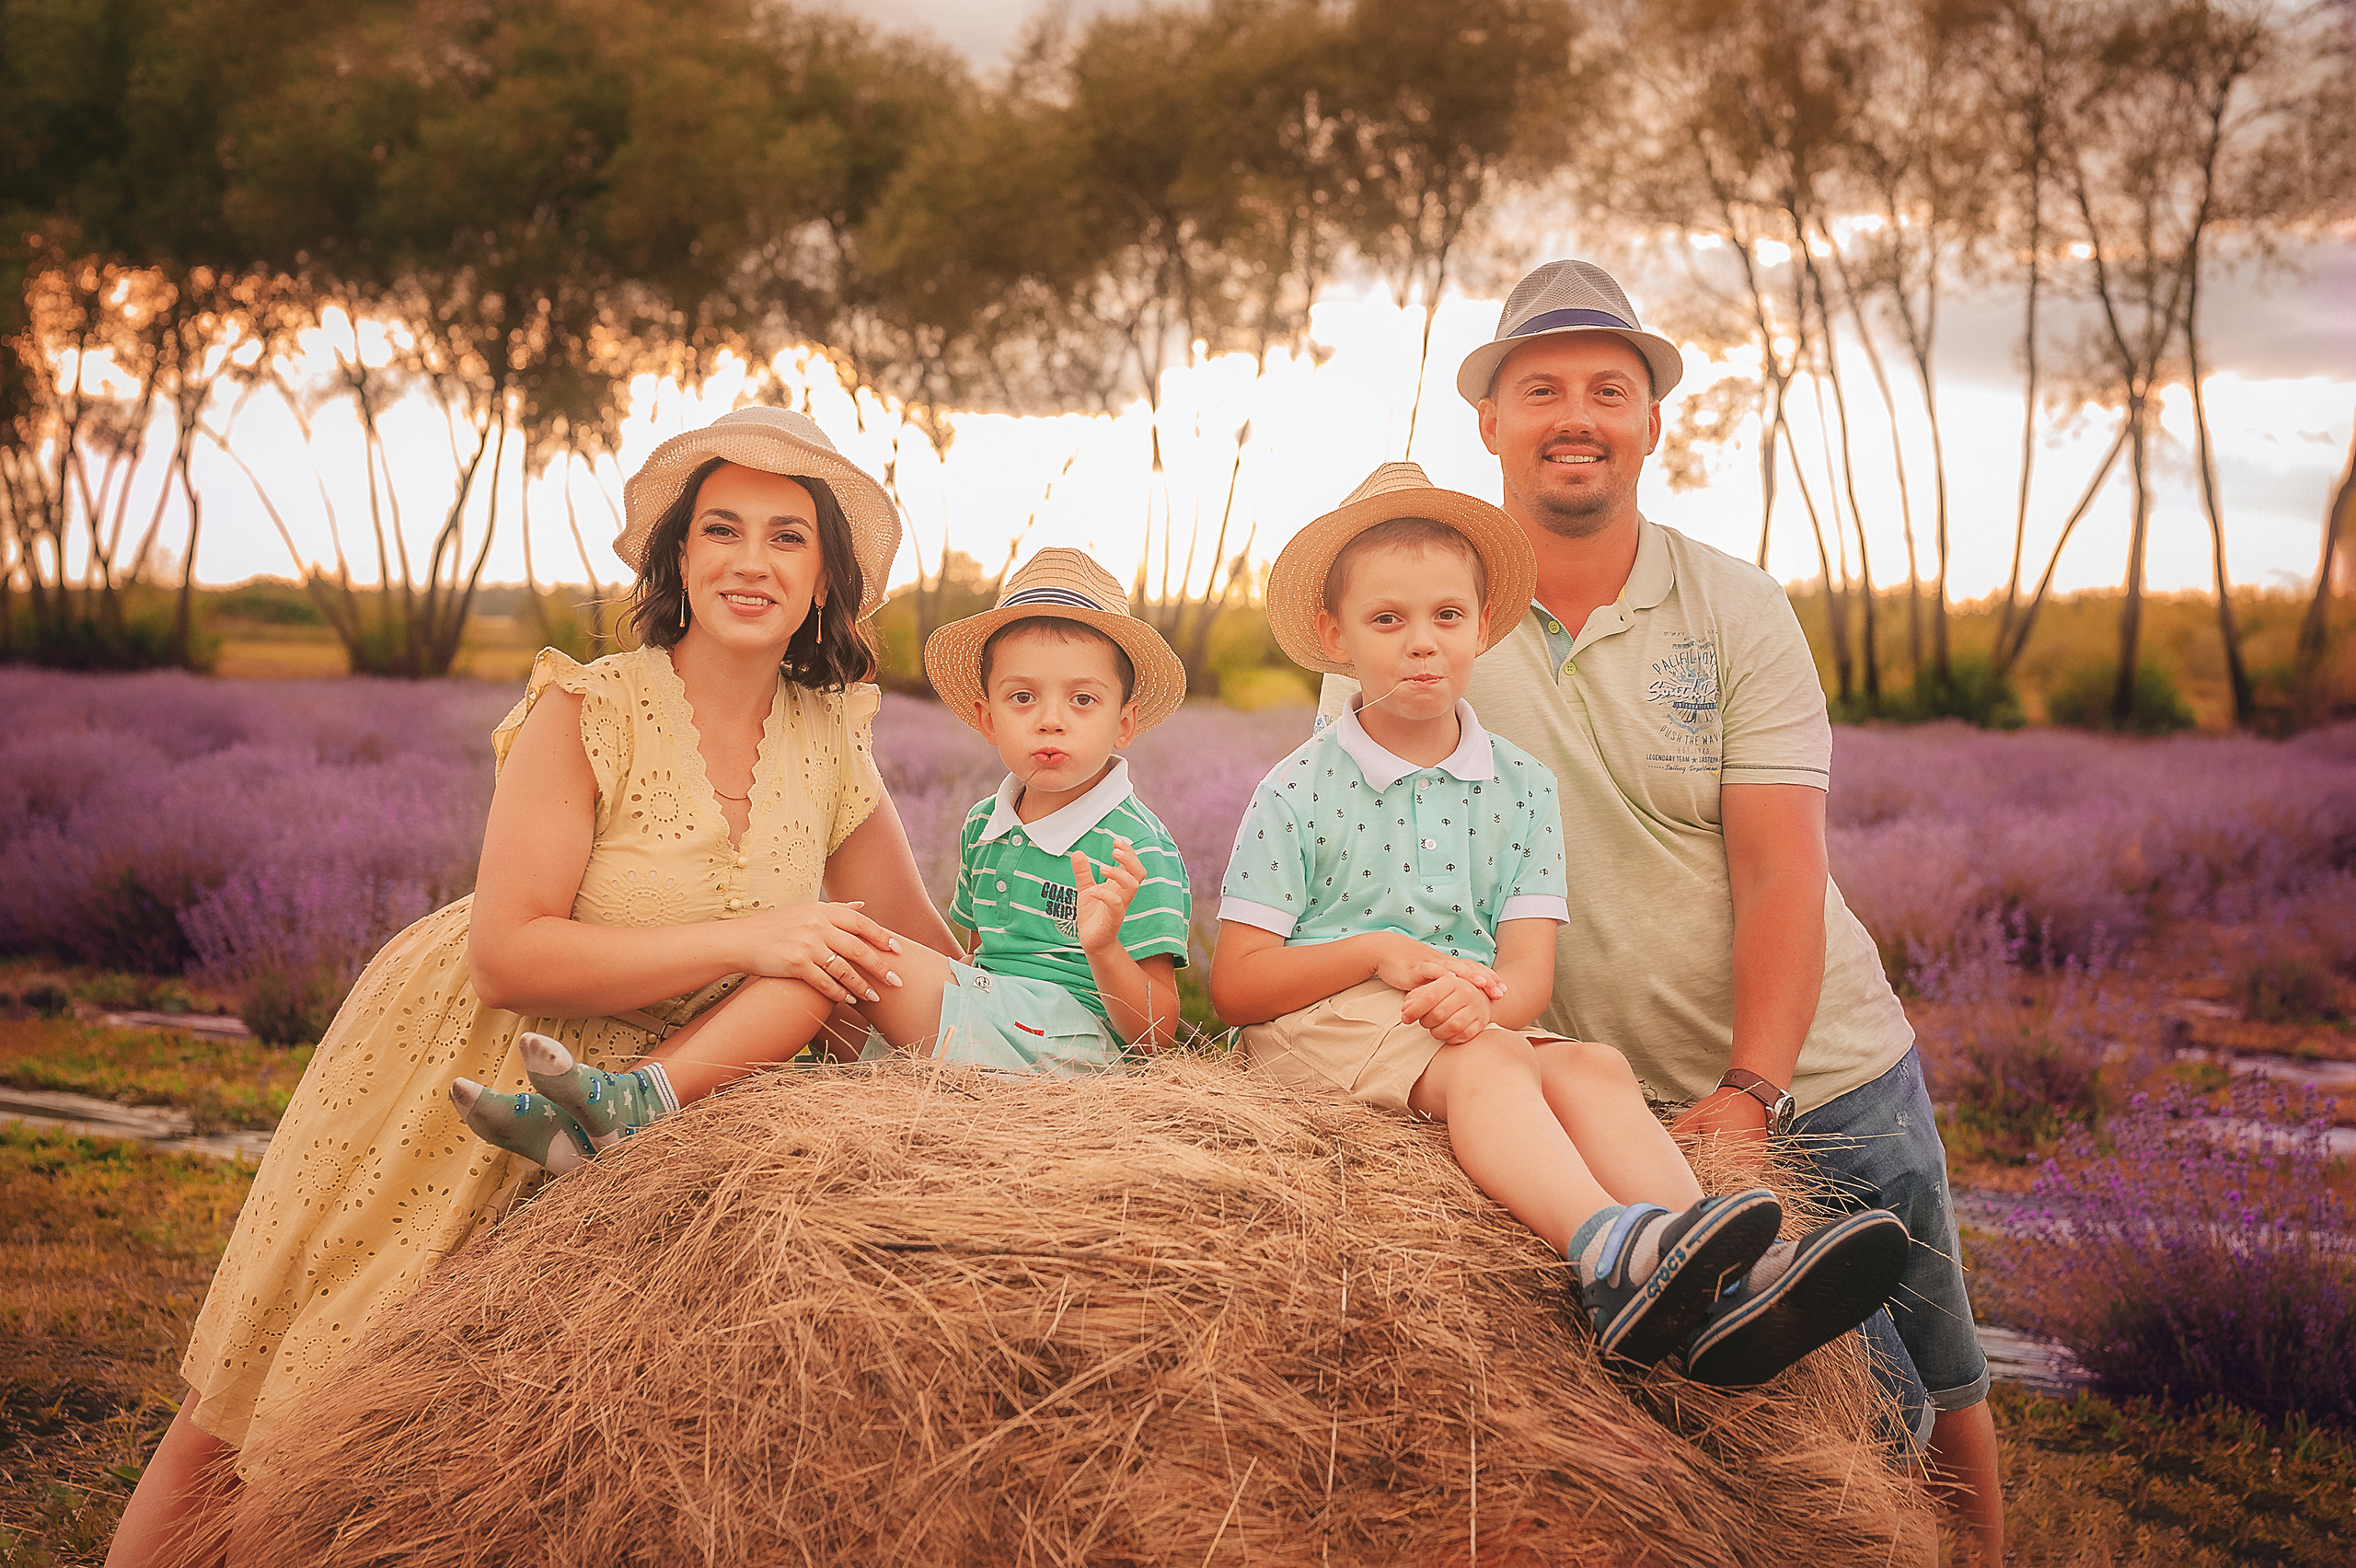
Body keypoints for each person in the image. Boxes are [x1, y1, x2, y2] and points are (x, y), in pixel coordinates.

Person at [107, 408, 957, 1567]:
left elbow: (918, 945)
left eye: (786, 539)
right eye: (720, 530)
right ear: (677, 559)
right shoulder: (590, 705)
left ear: (825, 581)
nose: (749, 562)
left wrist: (1080, 994)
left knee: (445, 1447)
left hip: (667, 1086)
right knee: (287, 1394)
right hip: (483, 1052)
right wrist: (756, 936)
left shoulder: (830, 735)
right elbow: (509, 951)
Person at [1321, 260, 2004, 1553]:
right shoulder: (1421, 619)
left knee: (1944, 1387)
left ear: (1648, 419)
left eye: (1608, 389)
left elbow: (1781, 868)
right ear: (1491, 422)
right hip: (1613, 1105)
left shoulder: (1733, 606)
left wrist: (1754, 1089)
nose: (1575, 414)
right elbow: (1367, 860)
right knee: (1824, 1431)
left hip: (1830, 1071)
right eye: (1542, 389)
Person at [1219, 462, 1907, 1386]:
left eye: (1446, 617)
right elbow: (1237, 984)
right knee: (1496, 1062)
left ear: (1482, 625)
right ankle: (1605, 1253)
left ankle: (1730, 1276)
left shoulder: (1519, 787)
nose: (1421, 644)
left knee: (1589, 1062)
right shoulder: (1298, 788)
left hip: (1462, 1019)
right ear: (1333, 636)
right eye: (1387, 620)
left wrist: (1482, 1008)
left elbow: (1528, 977)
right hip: (1325, 1024)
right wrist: (1385, 954)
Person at [454, 548, 1195, 1166]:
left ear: (1126, 721)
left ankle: (639, 1104)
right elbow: (978, 964)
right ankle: (612, 1107)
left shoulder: (1136, 846)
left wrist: (1101, 948)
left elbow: (1158, 1034)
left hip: (1075, 1060)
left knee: (830, 951)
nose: (1052, 719)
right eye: (1023, 698)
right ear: (985, 716)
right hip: (1003, 1033)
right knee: (826, 966)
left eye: (1084, 701)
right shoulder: (984, 827)